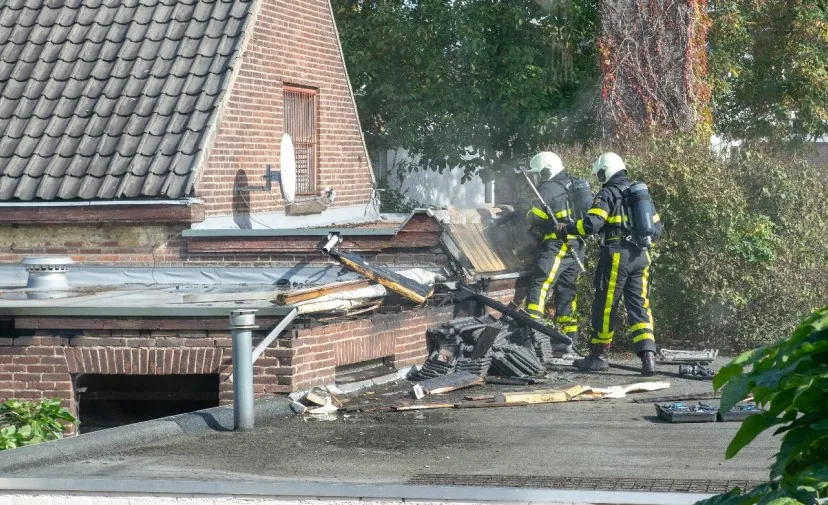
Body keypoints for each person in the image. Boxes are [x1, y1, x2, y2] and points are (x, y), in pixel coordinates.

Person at [555, 152, 662, 375]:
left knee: (605, 306)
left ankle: (599, 355)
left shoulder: (608, 193)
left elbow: (591, 225)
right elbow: (657, 229)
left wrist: (567, 228)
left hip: (616, 256)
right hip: (642, 256)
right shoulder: (639, 194)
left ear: (606, 171)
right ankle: (648, 357)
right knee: (639, 305)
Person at [524, 152, 591, 357]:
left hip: (558, 244)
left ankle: (532, 334)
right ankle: (567, 340)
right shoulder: (573, 183)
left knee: (540, 284)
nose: (538, 178)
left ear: (547, 170)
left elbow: (535, 216)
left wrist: (524, 211)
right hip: (577, 245)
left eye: (539, 173)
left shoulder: (549, 188)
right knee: (566, 290)